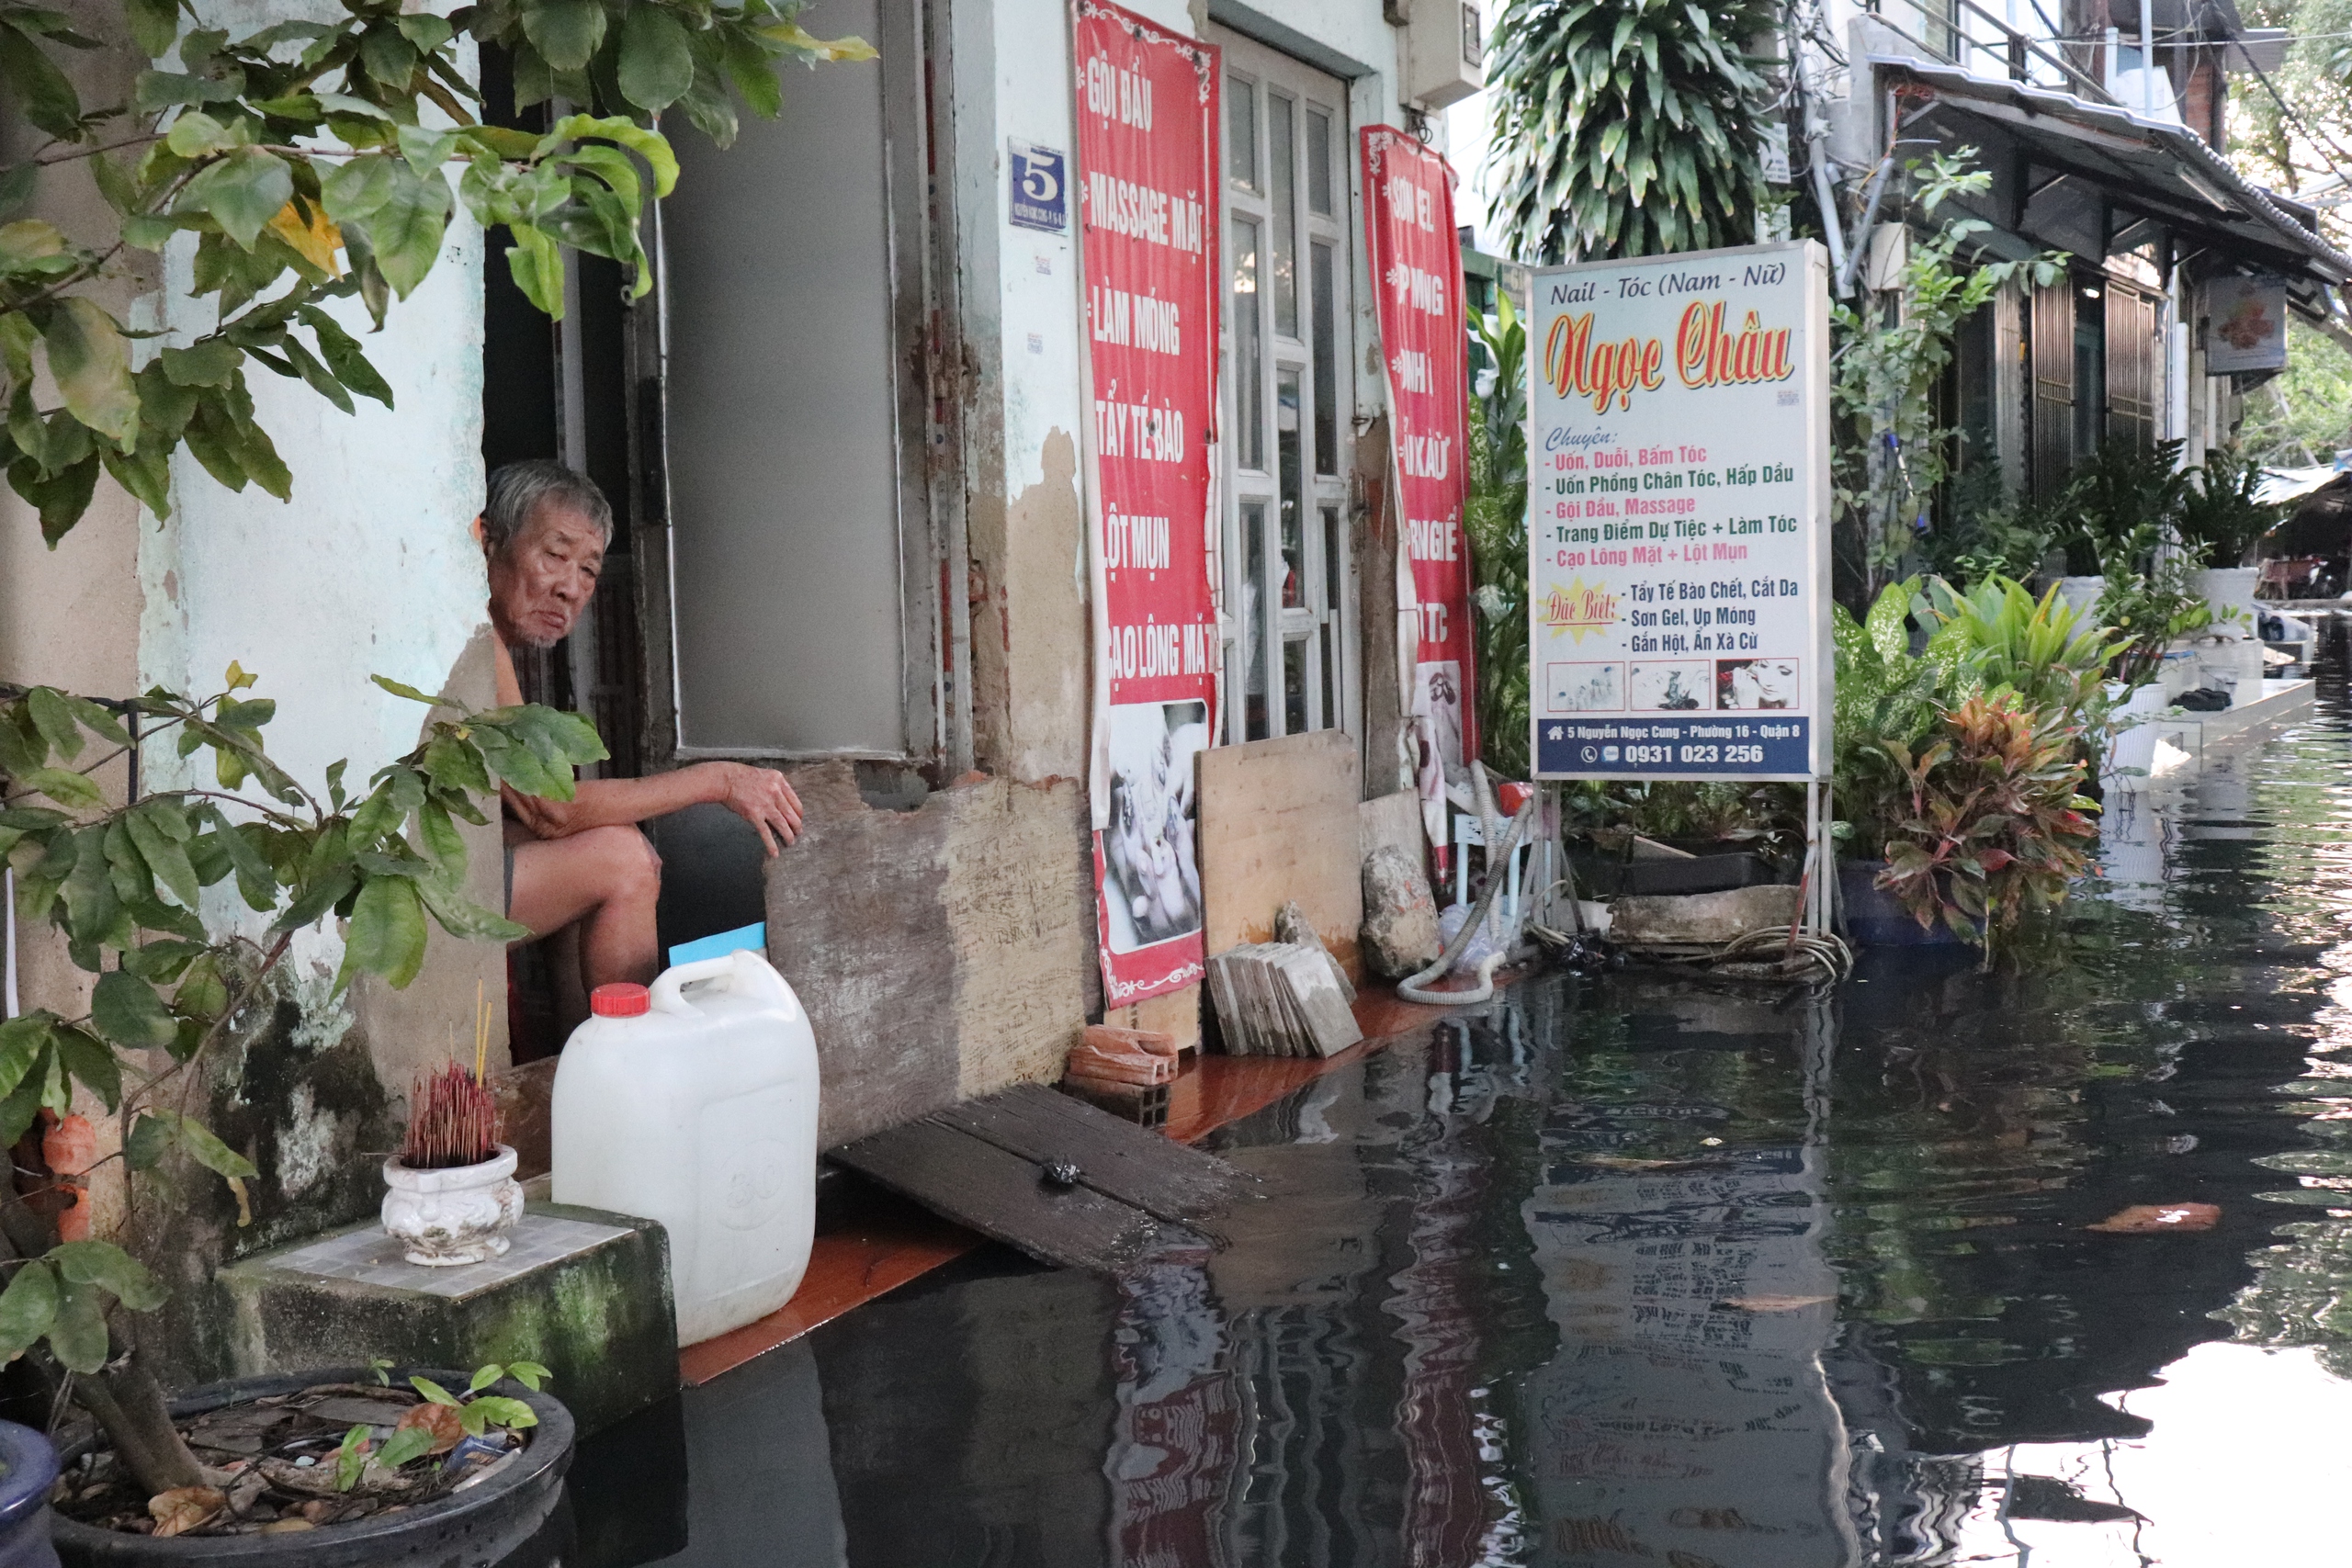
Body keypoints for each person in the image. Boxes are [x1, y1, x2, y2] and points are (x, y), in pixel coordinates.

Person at [475, 460, 804, 998]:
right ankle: (636, 1066)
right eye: (555, 556)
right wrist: (719, 781)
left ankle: (579, 1058)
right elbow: (550, 809)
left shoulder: (490, 647)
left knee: (604, 847)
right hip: (407, 893)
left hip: (450, 872)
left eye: (588, 570)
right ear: (492, 545)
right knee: (624, 863)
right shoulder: (478, 643)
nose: (570, 589)